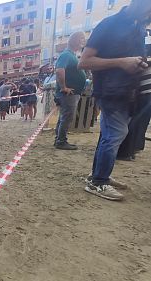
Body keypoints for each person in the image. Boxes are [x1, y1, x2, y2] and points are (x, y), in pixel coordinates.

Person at [79, 0, 151, 201]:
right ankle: (98, 182)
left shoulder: (138, 27)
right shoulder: (110, 24)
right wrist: (122, 62)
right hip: (111, 92)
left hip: (127, 92)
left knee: (109, 135)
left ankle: (99, 176)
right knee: (116, 134)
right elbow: (84, 62)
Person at [54, 32, 87, 150]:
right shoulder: (66, 55)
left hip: (70, 93)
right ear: (75, 40)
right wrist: (64, 87)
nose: (83, 41)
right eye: (81, 39)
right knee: (67, 117)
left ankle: (59, 139)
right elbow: (59, 70)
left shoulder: (71, 55)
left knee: (64, 117)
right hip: (68, 93)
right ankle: (61, 141)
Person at [117, 47, 151, 160]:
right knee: (137, 123)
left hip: (145, 94)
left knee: (140, 123)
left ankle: (132, 149)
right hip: (144, 94)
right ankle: (126, 151)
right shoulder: (143, 58)